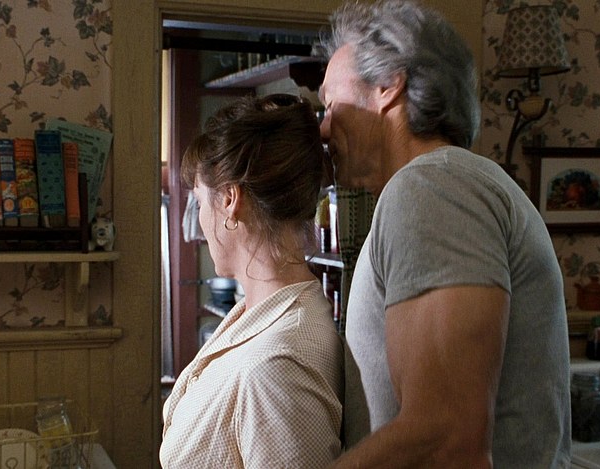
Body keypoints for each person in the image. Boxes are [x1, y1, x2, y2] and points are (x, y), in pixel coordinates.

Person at [316, 1, 571, 467]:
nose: (325, 128)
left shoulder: (432, 187)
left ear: (388, 85)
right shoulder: (438, 186)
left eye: (330, 104)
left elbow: (447, 438)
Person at [159, 94, 343, 468]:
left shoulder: (277, 366)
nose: (200, 223)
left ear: (230, 199)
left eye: (200, 202)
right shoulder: (268, 310)